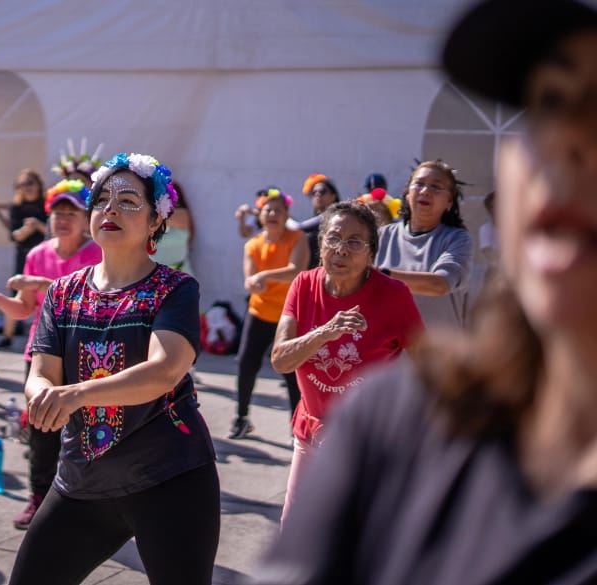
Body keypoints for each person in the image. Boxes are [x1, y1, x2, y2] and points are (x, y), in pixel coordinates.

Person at [255, 1, 597, 582]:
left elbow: (439, 283)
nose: (566, 140)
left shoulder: (449, 245)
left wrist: (375, 279)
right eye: (546, 104)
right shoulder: (387, 418)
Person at [9, 153, 219, 585]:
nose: (110, 209)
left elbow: (164, 371)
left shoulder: (174, 289)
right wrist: (43, 396)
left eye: (128, 201)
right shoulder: (63, 293)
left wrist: (75, 394)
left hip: (169, 479)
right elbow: (41, 371)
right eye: (102, 200)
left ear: (155, 220)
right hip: (82, 481)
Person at [270, 201, 423, 523]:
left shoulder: (394, 295)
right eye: (334, 238)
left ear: (371, 254)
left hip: (367, 440)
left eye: (355, 242)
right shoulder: (304, 285)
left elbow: (429, 363)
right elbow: (280, 360)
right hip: (312, 432)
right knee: (296, 527)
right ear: (321, 243)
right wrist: (325, 332)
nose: (341, 249)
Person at [0, 179, 102, 530]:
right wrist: (0, 302)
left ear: (85, 218)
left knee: (86, 430)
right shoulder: (37, 254)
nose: (63, 219)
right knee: (42, 430)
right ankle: (39, 499)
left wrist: (42, 285)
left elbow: (89, 300)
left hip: (85, 352)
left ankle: (87, 503)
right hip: (42, 351)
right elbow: (24, 308)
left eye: (71, 213)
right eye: (57, 213)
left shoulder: (96, 254)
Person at [230, 187, 308, 439]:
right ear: (260, 215)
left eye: (278, 210)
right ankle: (241, 418)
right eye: (268, 210)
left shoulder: (297, 238)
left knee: (291, 374)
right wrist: (254, 283)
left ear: (287, 215)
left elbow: (296, 270)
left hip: (289, 316)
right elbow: (250, 279)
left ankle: (297, 427)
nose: (273, 214)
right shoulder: (253, 244)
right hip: (259, 312)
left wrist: (264, 276)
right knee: (245, 365)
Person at [375, 159, 473, 329]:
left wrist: (379, 275)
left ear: (449, 201)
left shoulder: (458, 239)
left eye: (436, 187)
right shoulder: (381, 235)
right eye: (419, 184)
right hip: (388, 344)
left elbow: (439, 285)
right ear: (407, 194)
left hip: (440, 345)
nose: (425, 191)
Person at [0, 169, 48, 349]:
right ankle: (7, 336)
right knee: (16, 293)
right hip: (24, 256)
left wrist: (38, 225)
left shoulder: (47, 205)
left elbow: (53, 233)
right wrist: (27, 229)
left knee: (47, 294)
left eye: (30, 183)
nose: (27, 187)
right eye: (22, 185)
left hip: (46, 257)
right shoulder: (16, 207)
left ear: (38, 185)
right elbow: (15, 235)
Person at [150, 180, 195, 275]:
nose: (166, 197)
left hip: (180, 275)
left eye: (170, 193)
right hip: (155, 276)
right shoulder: (153, 220)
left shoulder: (182, 214)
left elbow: (156, 217)